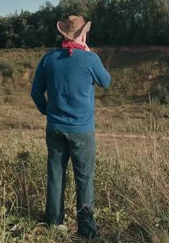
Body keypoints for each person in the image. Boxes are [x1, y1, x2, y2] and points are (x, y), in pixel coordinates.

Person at [31, 15, 111, 239]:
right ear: (83, 34)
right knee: (84, 178)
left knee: (56, 175)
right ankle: (86, 230)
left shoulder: (49, 59)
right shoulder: (90, 59)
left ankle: (54, 224)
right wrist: (88, 52)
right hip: (82, 131)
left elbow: (36, 92)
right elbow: (106, 82)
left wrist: (48, 111)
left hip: (55, 127)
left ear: (64, 35)